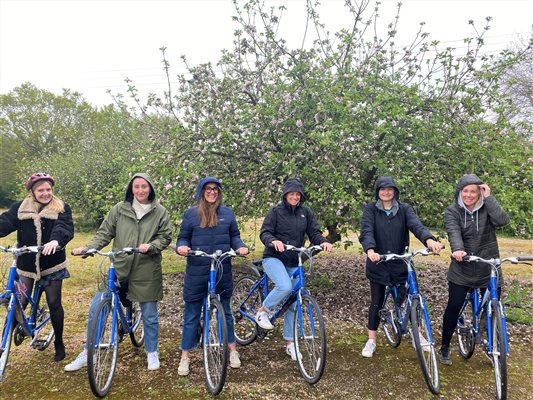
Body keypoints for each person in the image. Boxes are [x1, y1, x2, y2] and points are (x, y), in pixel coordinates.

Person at [65, 173, 172, 371]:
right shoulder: (120, 209)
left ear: (151, 188)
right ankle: (89, 352)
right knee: (97, 308)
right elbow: (105, 232)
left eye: (144, 186)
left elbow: (165, 237)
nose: (140, 190)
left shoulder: (160, 212)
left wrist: (151, 245)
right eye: (137, 186)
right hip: (119, 265)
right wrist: (89, 248)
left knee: (149, 314)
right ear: (131, 188)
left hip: (146, 268)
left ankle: (152, 351)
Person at [358, 176, 443, 358]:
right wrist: (371, 250)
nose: (386, 192)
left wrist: (429, 240)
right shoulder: (371, 210)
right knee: (377, 302)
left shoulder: (404, 209)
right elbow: (366, 230)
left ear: (395, 191)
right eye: (382, 189)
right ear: (377, 191)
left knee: (413, 297)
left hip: (401, 262)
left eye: (390, 189)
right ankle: (371, 340)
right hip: (378, 262)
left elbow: (416, 226)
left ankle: (416, 334)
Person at [176, 177, 248, 376]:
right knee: (191, 314)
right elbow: (182, 236)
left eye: (215, 189)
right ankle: (185, 357)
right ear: (201, 191)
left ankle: (232, 350)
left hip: (222, 269)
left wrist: (240, 246)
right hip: (197, 270)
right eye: (208, 189)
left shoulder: (227, 213)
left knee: (226, 312)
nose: (212, 192)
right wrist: (181, 246)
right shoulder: (191, 214)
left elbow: (234, 235)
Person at [255, 178, 332, 360]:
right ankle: (262, 311)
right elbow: (265, 232)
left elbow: (314, 232)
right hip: (274, 257)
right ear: (285, 195)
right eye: (291, 194)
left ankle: (290, 343)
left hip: (294, 259)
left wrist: (323, 242)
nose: (295, 197)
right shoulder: (275, 212)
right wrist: (273, 241)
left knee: (293, 302)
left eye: (298, 194)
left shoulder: (306, 213)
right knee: (285, 287)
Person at [0, 173, 74, 361]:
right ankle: (8, 339)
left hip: (52, 264)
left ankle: (58, 342)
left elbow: (64, 228)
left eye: (48, 189)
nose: (45, 193)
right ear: (32, 192)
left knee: (54, 302)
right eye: (41, 190)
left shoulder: (61, 208)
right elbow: (6, 222)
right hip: (27, 263)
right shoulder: (20, 208)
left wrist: (55, 241)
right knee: (19, 301)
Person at [439, 174, 509, 365]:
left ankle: (492, 346)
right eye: (466, 191)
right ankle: (445, 346)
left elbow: (503, 220)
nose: (469, 195)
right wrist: (458, 249)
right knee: (453, 307)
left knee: (492, 308)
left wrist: (489, 198)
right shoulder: (452, 211)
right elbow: (453, 231)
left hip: (489, 268)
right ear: (460, 192)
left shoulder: (487, 207)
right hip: (463, 268)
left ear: (480, 193)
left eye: (474, 191)